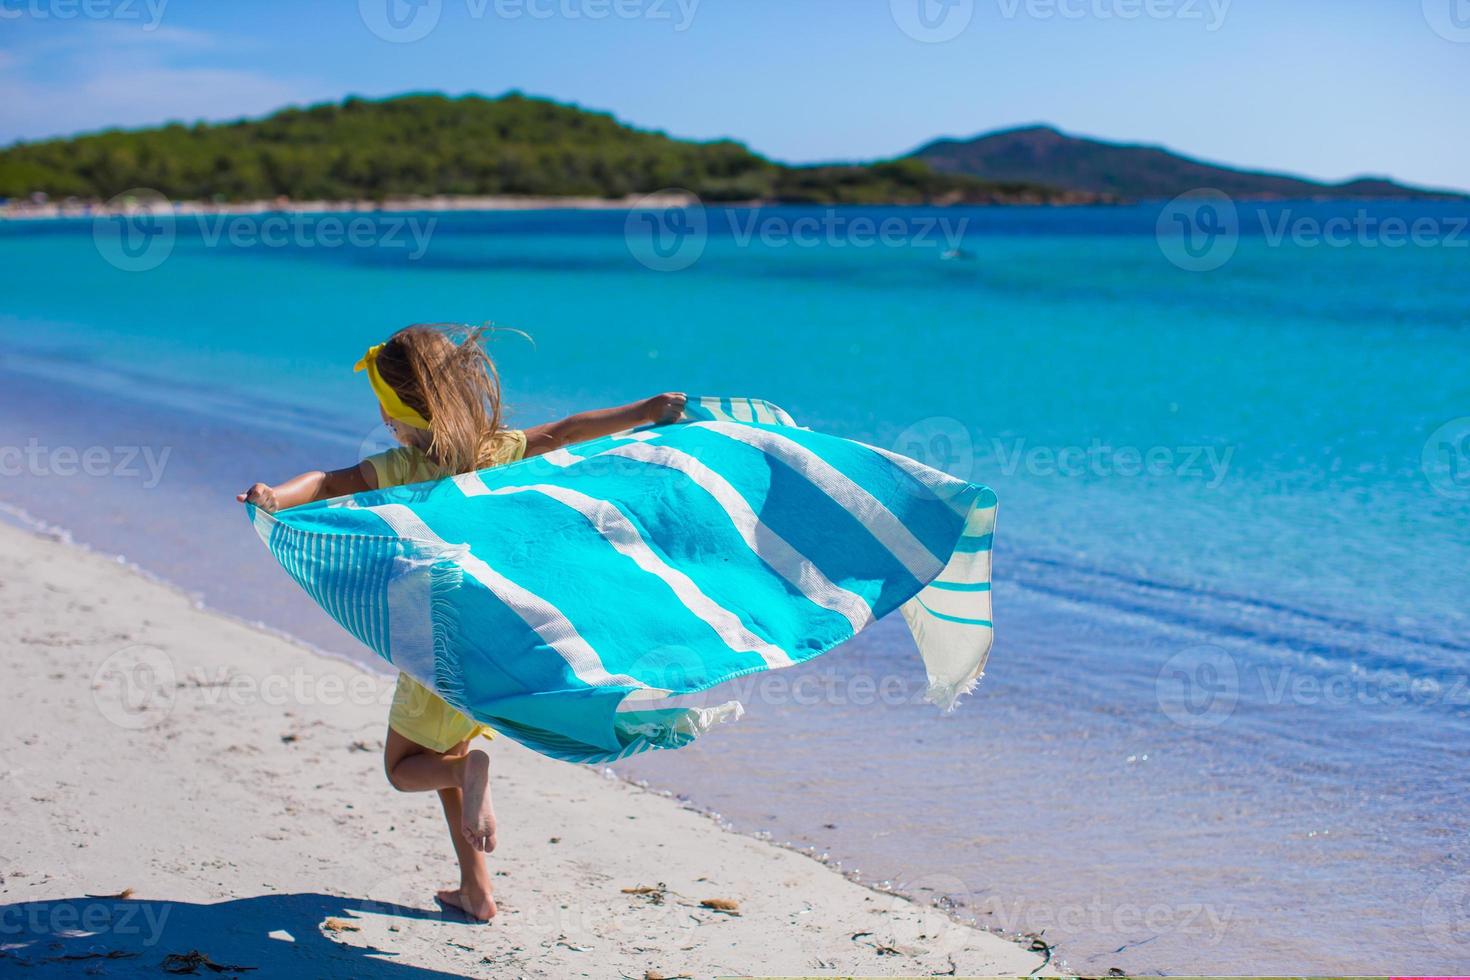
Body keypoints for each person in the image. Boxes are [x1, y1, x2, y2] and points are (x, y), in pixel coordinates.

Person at [237, 323, 685, 920]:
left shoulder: (397, 466)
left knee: (406, 770)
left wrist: (274, 495)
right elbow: (572, 429)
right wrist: (646, 410)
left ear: (399, 410)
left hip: (435, 644)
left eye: (383, 406)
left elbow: (324, 482)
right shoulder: (494, 450)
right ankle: (475, 891)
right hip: (499, 639)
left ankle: (471, 775)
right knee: (449, 763)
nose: (384, 419)